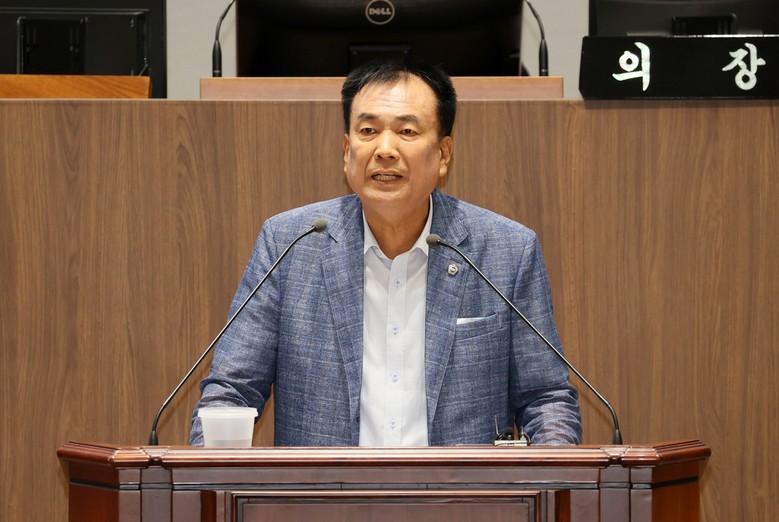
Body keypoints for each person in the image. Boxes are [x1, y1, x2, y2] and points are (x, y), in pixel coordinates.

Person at [189, 60, 582, 446]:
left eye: (407, 131)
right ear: (347, 150)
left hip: (461, 489)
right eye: (368, 131)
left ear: (443, 154)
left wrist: (554, 473)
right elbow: (231, 391)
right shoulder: (289, 243)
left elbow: (545, 398)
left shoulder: (506, 250)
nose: (385, 149)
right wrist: (211, 473)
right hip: (323, 490)